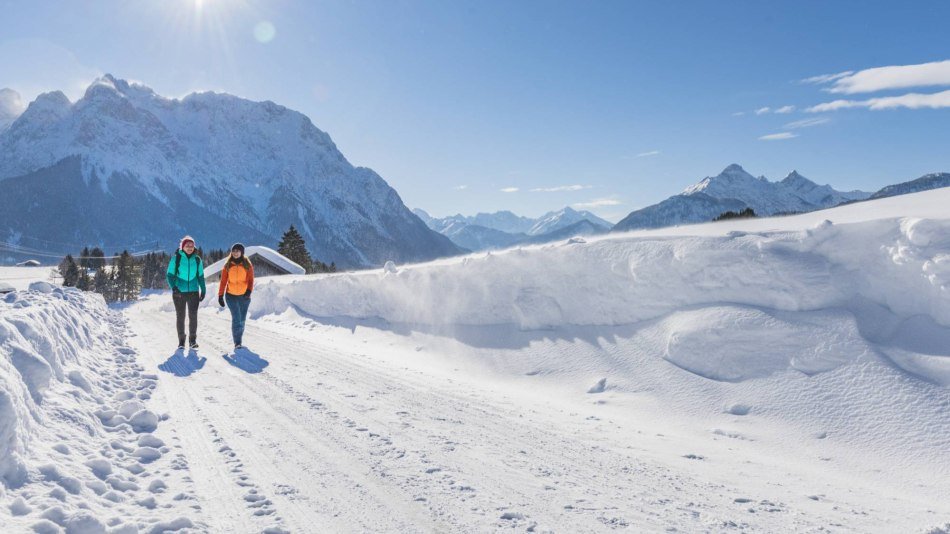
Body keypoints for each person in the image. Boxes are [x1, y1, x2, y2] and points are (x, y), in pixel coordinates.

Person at [166, 236, 206, 350]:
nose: (189, 248)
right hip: (179, 292)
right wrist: (174, 287)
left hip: (193, 291)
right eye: (187, 246)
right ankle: (181, 341)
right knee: (181, 316)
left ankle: (192, 340)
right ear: (182, 247)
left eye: (191, 246)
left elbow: (201, 276)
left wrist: (203, 289)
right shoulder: (176, 258)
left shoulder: (197, 259)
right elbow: (169, 275)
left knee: (193, 316)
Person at [217, 243, 254, 350]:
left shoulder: (247, 265)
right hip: (231, 296)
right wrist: (220, 295)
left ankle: (239, 337)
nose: (235, 253)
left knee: (242, 319)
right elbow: (223, 281)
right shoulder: (228, 265)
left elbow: (251, 280)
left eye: (238, 251)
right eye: (233, 251)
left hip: (244, 297)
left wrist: (249, 291)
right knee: (236, 318)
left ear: (242, 252)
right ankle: (237, 342)